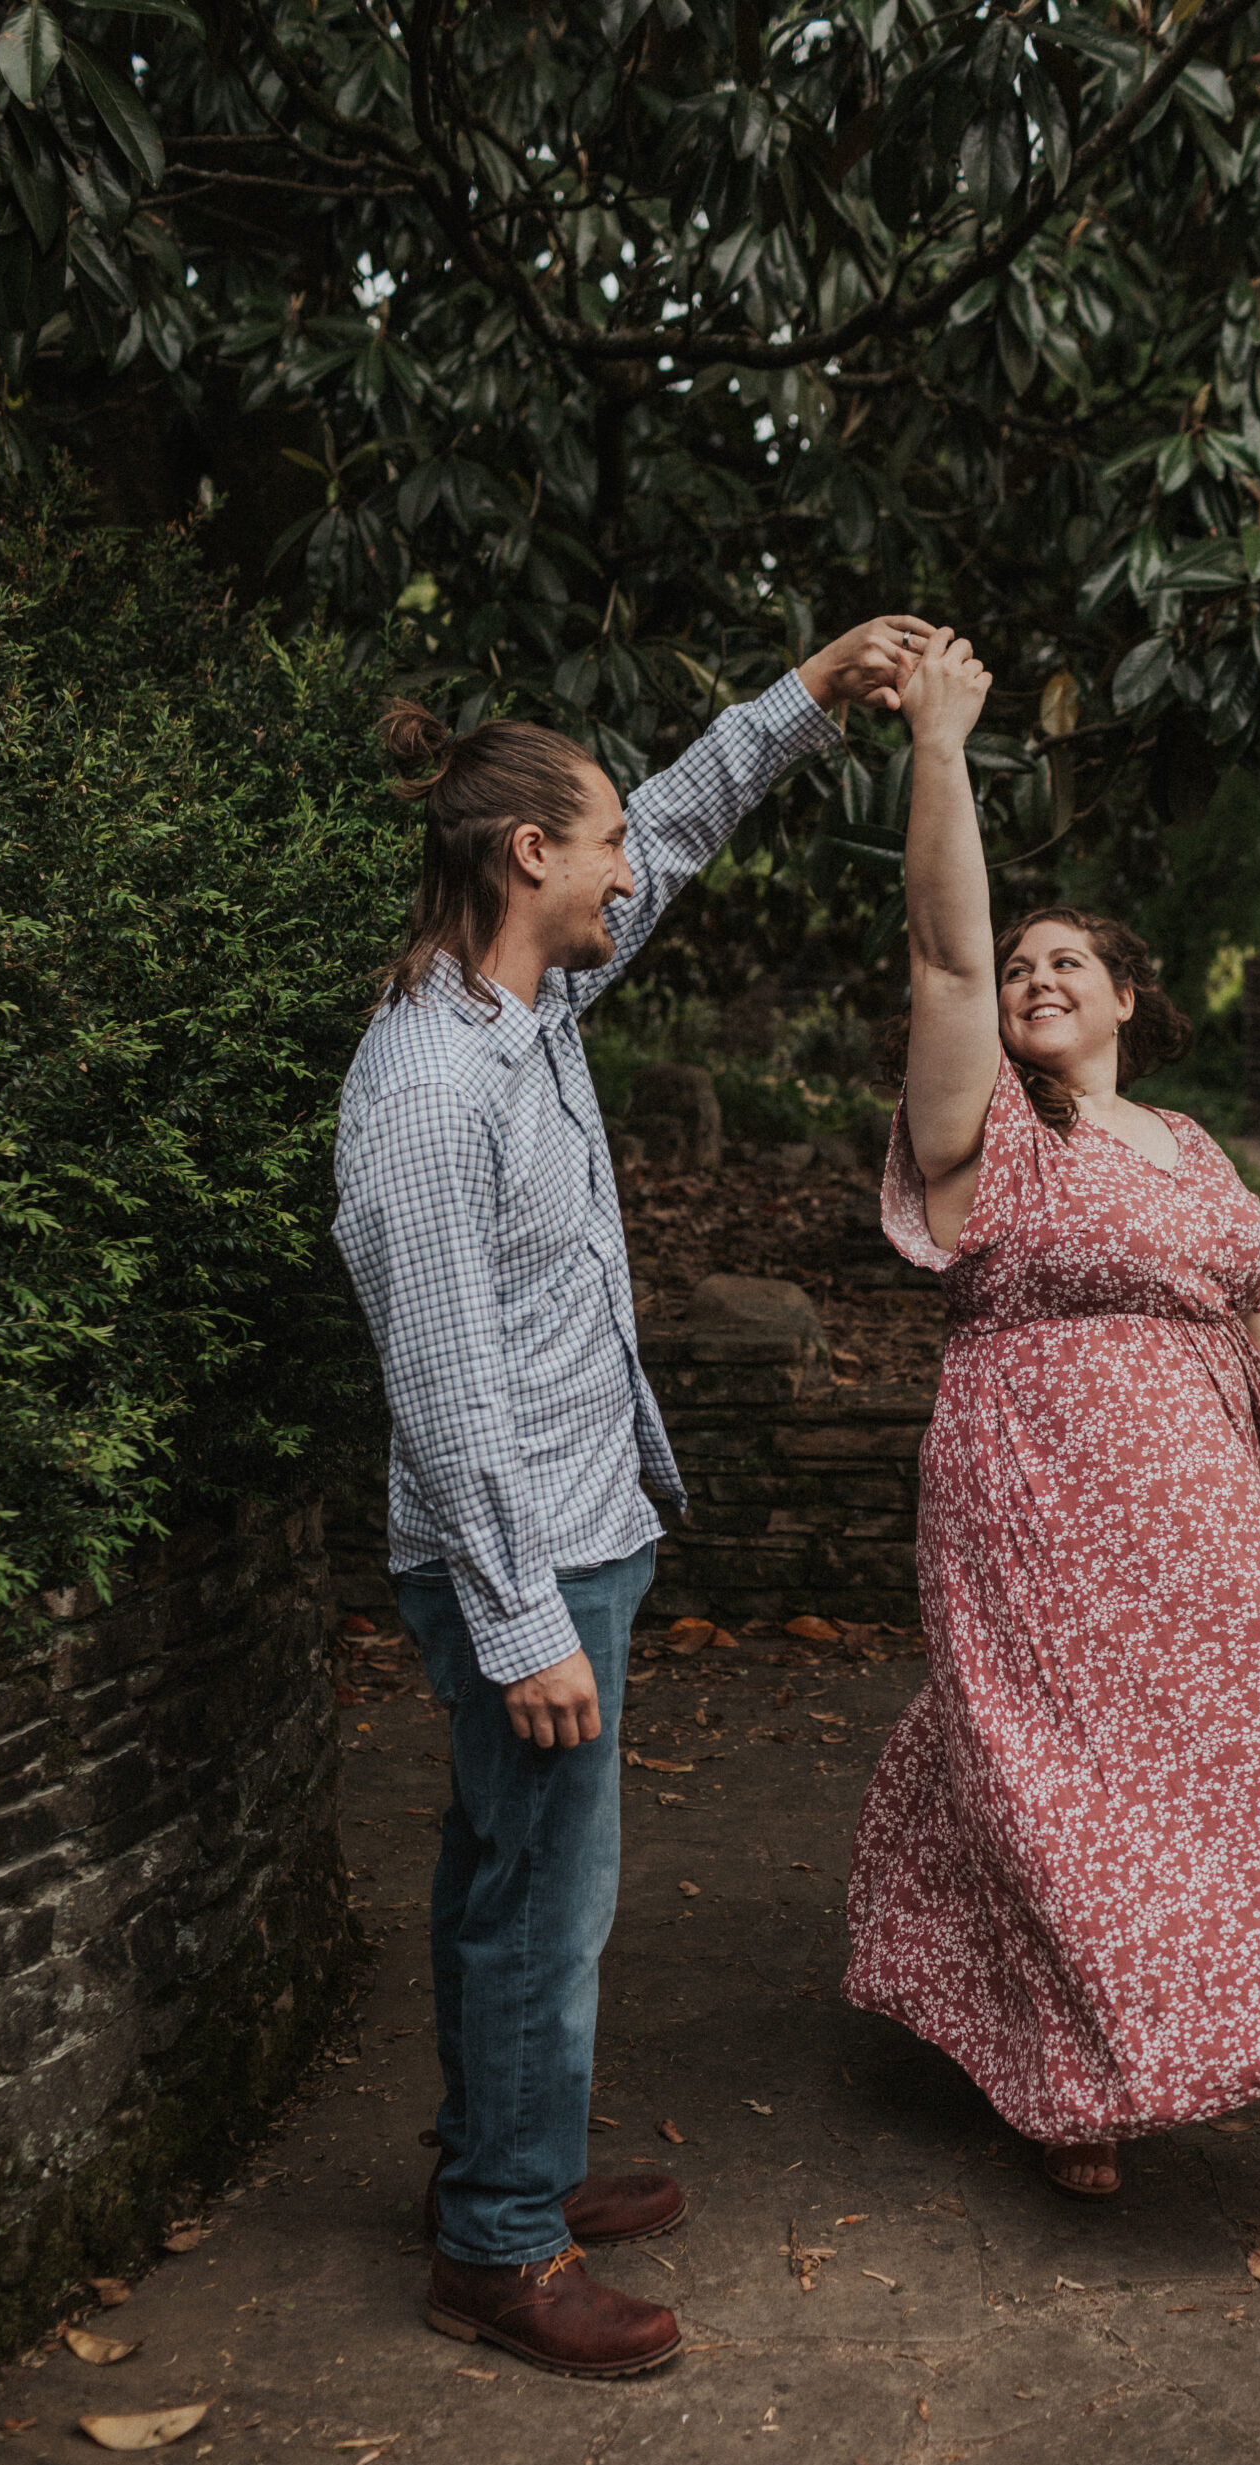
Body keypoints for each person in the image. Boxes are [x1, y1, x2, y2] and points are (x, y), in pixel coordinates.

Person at [333, 615, 933, 2375]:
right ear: (529, 854)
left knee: (497, 1879)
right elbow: (442, 1386)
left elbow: (673, 824)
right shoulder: (434, 1087)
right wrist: (525, 1622)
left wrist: (808, 697)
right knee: (543, 1903)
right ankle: (499, 2250)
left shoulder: (532, 1004)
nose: (625, 869)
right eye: (595, 843)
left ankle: (488, 2166)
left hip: (579, 1531)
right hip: (525, 1565)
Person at [842, 630, 1260, 2198]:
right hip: (1034, 1489)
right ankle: (1075, 2083)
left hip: (1202, 1512)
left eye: (1070, 963)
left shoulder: (1189, 1147)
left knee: (1226, 1757)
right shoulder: (984, 1127)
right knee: (1046, 1760)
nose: (1034, 978)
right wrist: (940, 743)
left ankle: (1154, 2013)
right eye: (1022, 966)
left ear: (1129, 997)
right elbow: (939, 950)